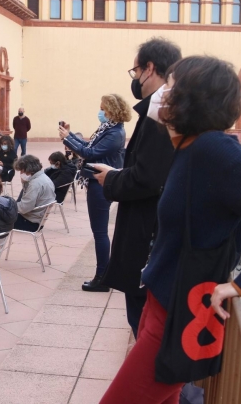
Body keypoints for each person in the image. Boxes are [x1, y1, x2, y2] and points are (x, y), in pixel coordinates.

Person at [100, 56, 241, 404]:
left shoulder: (213, 149)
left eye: (171, 86)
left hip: (184, 315)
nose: (162, 93)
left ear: (191, 100)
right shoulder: (188, 147)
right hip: (165, 301)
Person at [91, 38, 181, 337]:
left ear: (150, 68)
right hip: (151, 233)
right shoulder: (162, 114)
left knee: (144, 328)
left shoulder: (160, 116)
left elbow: (149, 178)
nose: (135, 80)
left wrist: (112, 178)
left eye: (136, 71)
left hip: (146, 237)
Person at [60, 94, 130, 292]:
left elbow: (89, 153)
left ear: (112, 111)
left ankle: (102, 278)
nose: (101, 113)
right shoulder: (108, 129)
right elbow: (89, 146)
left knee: (100, 233)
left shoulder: (115, 133)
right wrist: (70, 135)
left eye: (103, 109)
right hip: (97, 182)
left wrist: (68, 140)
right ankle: (104, 275)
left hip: (101, 184)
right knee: (99, 233)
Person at [12, 155, 55, 231]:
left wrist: (9, 206)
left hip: (30, 222)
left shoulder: (35, 184)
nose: (21, 173)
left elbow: (24, 208)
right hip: (37, 219)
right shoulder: (43, 177)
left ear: (28, 169)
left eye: (22, 170)